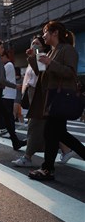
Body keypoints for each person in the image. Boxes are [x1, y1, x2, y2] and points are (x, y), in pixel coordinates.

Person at [28, 21, 85, 181]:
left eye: (45, 32)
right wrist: (33, 58)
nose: (43, 35)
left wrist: (50, 63)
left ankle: (47, 169)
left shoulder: (68, 50)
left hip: (62, 97)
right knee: (58, 134)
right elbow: (42, 73)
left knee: (52, 133)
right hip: (52, 97)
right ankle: (47, 169)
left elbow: (70, 73)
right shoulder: (53, 51)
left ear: (55, 33)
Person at [12, 34, 73, 167]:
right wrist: (32, 57)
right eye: (33, 43)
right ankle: (65, 150)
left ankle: (28, 157)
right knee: (51, 129)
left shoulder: (46, 55)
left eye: (37, 43)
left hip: (41, 96)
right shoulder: (39, 56)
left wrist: (37, 56)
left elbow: (42, 75)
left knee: (35, 126)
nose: (34, 45)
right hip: (36, 95)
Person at [0, 50, 17, 137]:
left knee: (8, 114)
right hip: (7, 93)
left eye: (1, 57)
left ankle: (10, 131)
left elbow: (1, 78)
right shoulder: (7, 65)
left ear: (5, 56)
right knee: (5, 113)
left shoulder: (8, 65)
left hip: (8, 93)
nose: (0, 59)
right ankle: (5, 129)